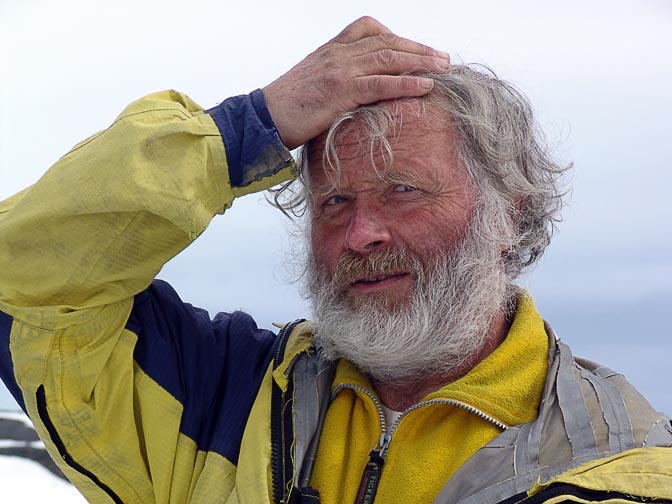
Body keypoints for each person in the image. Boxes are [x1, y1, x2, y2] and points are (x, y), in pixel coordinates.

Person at [0, 16, 670, 504]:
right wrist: (249, 128)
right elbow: (22, 270)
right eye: (334, 201)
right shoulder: (222, 397)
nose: (362, 234)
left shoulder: (617, 466)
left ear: (510, 212)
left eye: (403, 190)